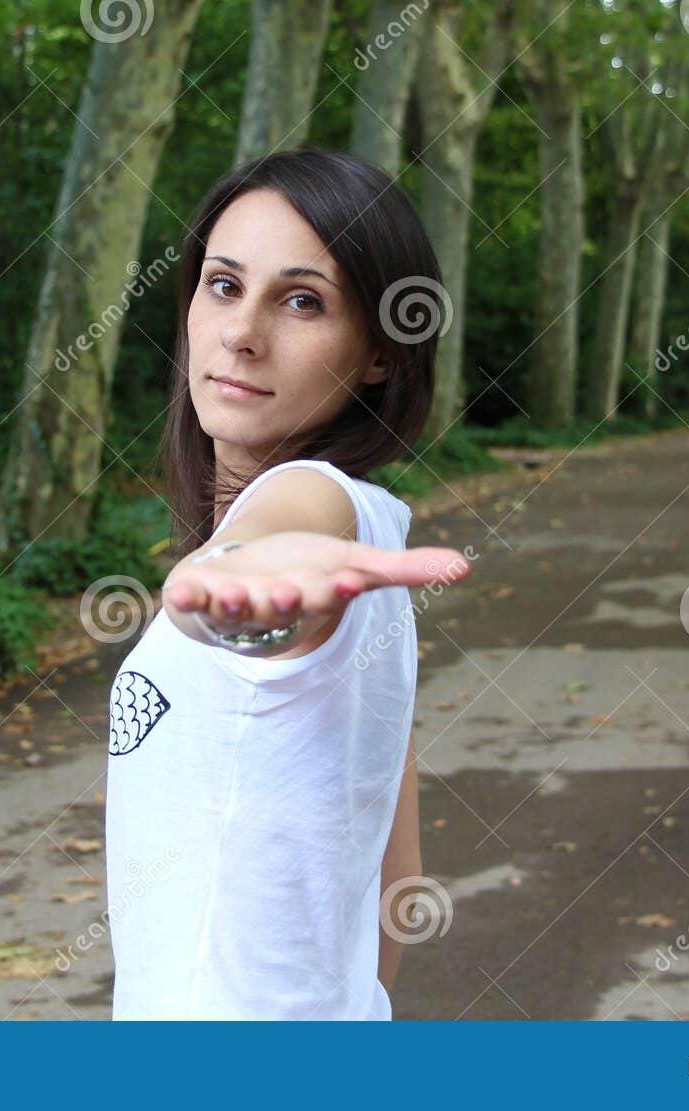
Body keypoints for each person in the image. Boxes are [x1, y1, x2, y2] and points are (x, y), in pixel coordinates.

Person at [103, 149, 473, 1020]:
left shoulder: (317, 506)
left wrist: (245, 578)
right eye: (224, 285)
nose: (242, 331)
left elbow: (284, 528)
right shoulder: (371, 533)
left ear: (380, 353)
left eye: (302, 300)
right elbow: (396, 864)